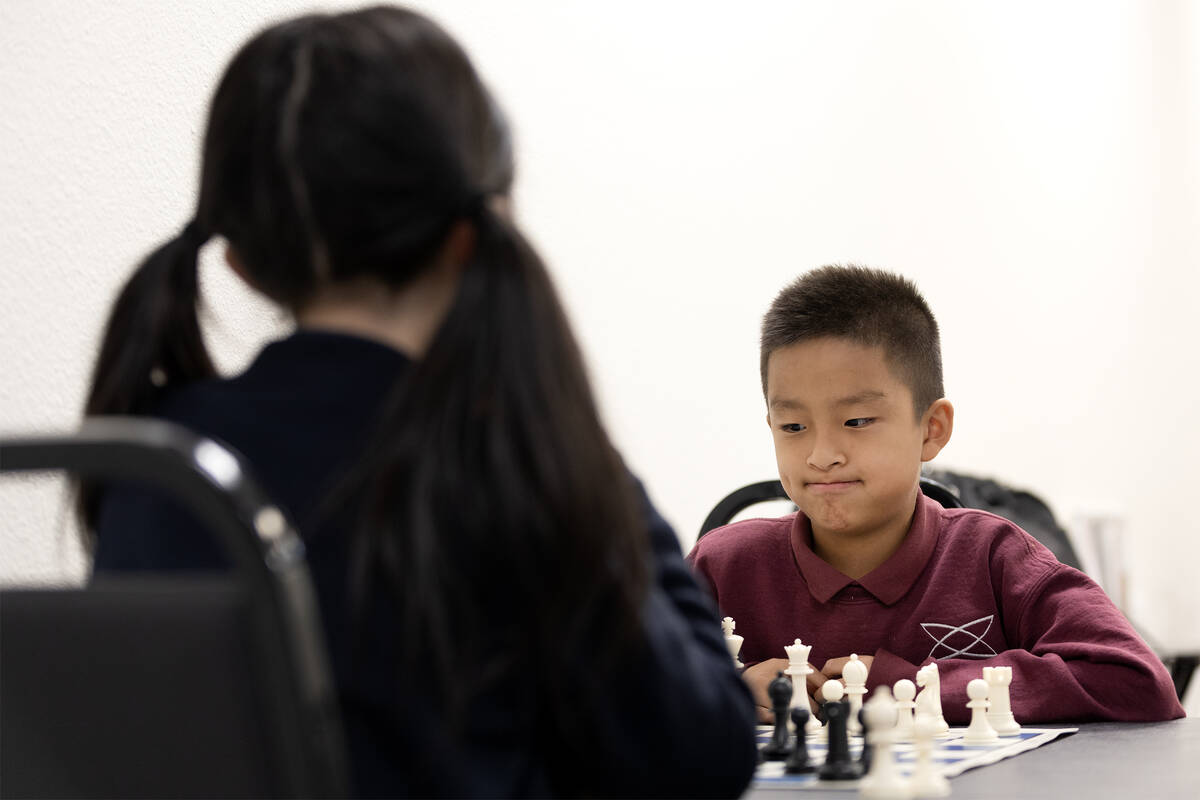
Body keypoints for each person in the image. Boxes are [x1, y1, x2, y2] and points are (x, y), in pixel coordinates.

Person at [79, 6, 757, 796]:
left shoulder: (159, 460)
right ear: (473, 234)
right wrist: (590, 470)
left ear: (239, 263)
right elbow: (703, 751)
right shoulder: (508, 463)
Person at [689, 265, 1184, 725]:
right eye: (793, 425)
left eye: (856, 421)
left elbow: (1138, 681)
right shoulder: (722, 565)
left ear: (931, 428)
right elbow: (622, 698)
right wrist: (719, 690)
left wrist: (913, 687)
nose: (821, 454)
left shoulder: (993, 556)